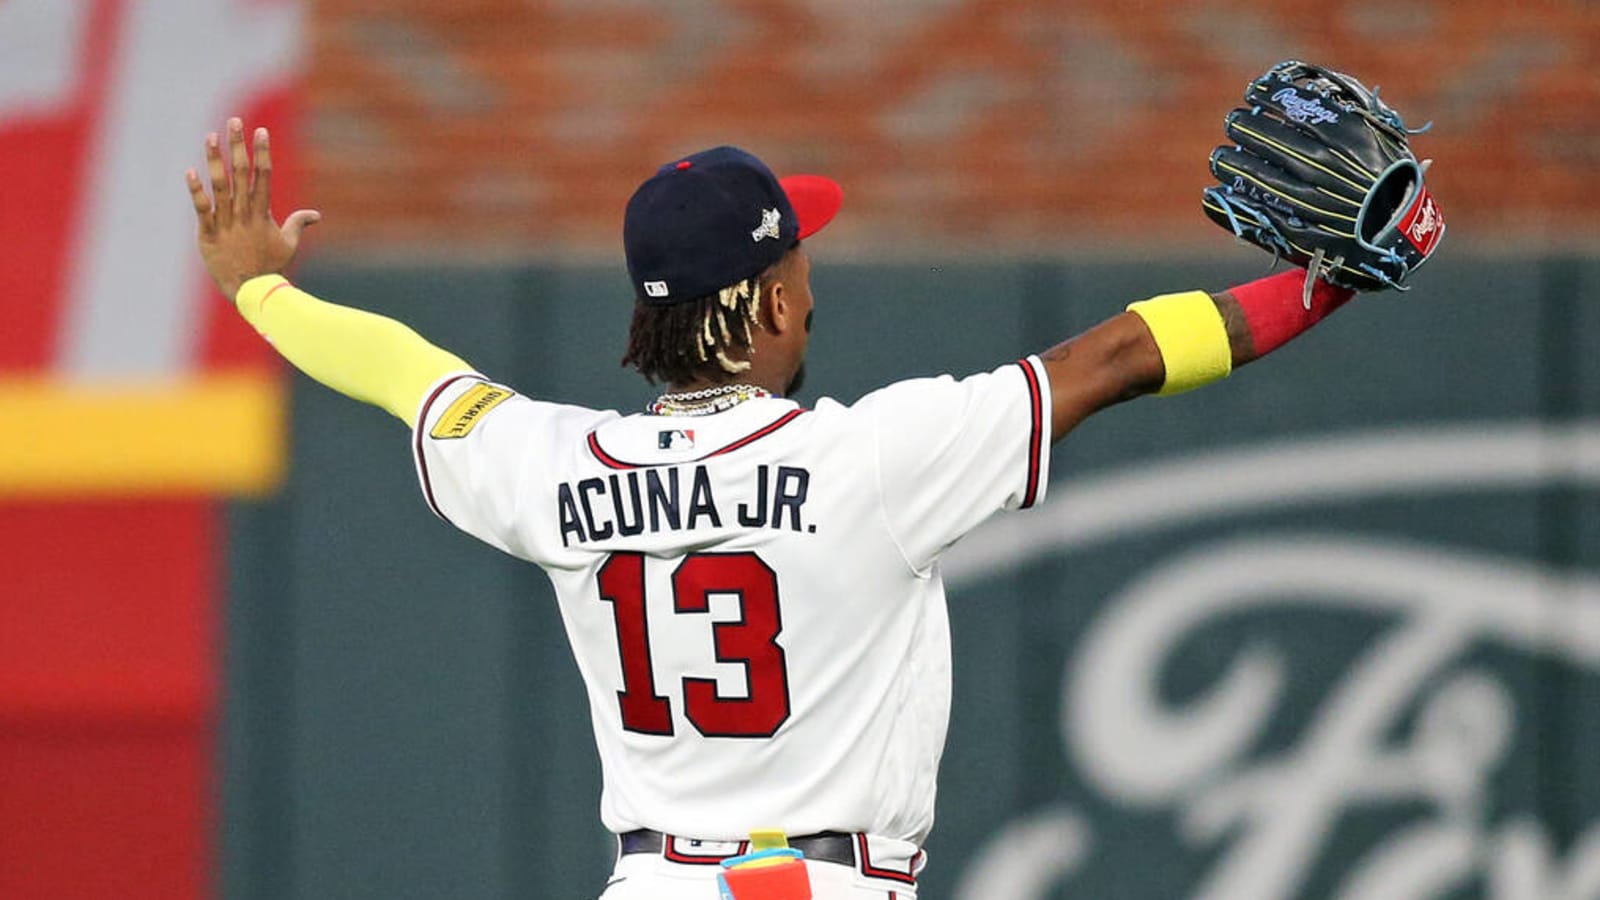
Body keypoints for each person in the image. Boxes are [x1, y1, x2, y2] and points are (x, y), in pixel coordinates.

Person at [187, 117, 1358, 899]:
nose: (813, 280)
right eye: (797, 259)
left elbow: (402, 370)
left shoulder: (552, 469)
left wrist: (259, 289)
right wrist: (1322, 287)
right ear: (765, 303)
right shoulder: (873, 460)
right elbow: (1116, 356)